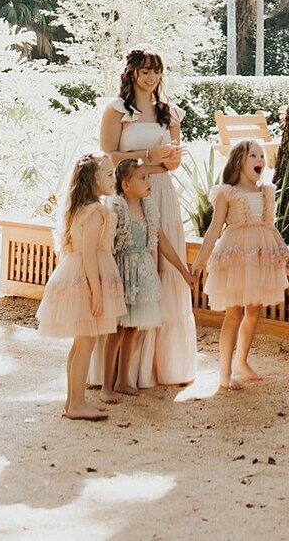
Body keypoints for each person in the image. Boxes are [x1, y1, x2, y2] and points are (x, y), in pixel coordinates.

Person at [98, 46, 198, 387]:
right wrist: (147, 155)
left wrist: (168, 160)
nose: (151, 76)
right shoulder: (116, 111)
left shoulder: (169, 112)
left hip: (161, 191)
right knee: (132, 269)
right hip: (128, 192)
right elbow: (109, 156)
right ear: (132, 73)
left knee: (162, 269)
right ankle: (118, 371)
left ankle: (161, 366)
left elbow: (173, 160)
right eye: (145, 70)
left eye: (156, 70)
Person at [190, 139, 289, 389]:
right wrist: (199, 262)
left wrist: (284, 249)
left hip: (259, 256)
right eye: (253, 156)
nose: (259, 160)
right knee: (234, 313)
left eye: (261, 156)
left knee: (254, 311)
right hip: (235, 257)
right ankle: (224, 372)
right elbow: (214, 229)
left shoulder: (266, 192)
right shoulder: (227, 193)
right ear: (238, 161)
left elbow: (270, 226)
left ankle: (242, 361)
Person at [36, 152, 125, 421]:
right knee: (85, 343)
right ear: (92, 180)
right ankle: (77, 403)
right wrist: (97, 292)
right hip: (87, 280)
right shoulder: (96, 212)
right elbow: (89, 254)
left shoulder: (79, 210)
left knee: (80, 344)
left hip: (77, 275)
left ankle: (72, 400)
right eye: (109, 174)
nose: (114, 178)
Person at [104, 156, 195, 397]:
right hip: (122, 275)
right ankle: (106, 385)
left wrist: (184, 271)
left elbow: (162, 242)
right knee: (116, 330)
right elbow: (106, 243)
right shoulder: (117, 208)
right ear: (126, 184)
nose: (148, 181)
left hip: (142, 276)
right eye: (142, 178)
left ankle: (124, 380)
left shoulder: (148, 207)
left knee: (133, 328)